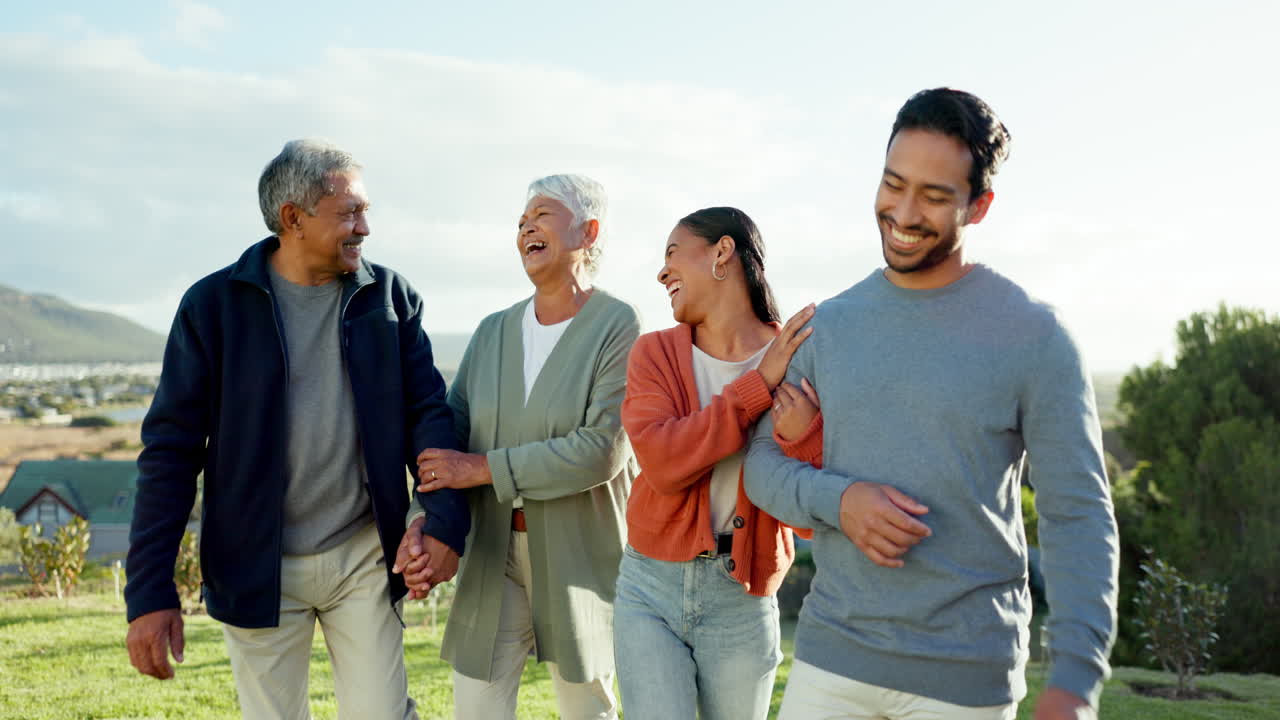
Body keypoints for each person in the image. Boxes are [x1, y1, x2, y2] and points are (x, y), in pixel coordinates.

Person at [744, 88, 1120, 720]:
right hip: (830, 663)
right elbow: (759, 465)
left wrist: (1077, 680)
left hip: (964, 680)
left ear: (980, 206)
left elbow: (1078, 515)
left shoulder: (1035, 337)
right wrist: (840, 500)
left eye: (935, 196)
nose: (904, 211)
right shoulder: (829, 324)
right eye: (894, 184)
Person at [125, 139, 469, 720]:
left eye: (366, 211)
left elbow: (428, 416)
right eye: (350, 212)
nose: (365, 227)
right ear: (293, 218)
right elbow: (170, 455)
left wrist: (443, 524)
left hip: (364, 552)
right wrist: (149, 592)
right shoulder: (212, 306)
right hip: (255, 562)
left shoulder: (391, 298)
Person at [398, 174, 640, 720]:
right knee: (475, 706)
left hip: (582, 555)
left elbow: (602, 450)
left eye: (543, 214)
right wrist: (425, 520)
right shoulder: (491, 332)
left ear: (589, 231)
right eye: (521, 220)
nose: (527, 225)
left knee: (588, 709)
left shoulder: (618, 324)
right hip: (492, 552)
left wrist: (480, 469)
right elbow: (447, 439)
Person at [613, 206, 820, 720]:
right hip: (649, 588)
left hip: (743, 599)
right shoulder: (653, 354)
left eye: (671, 253)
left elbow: (812, 515)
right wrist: (756, 390)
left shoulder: (799, 359)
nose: (661, 272)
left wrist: (803, 438)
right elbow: (661, 463)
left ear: (722, 253)